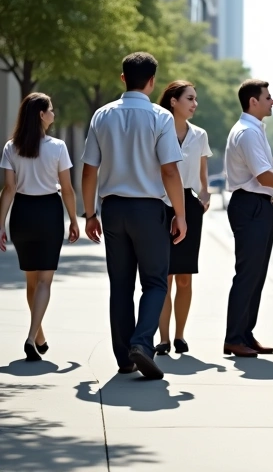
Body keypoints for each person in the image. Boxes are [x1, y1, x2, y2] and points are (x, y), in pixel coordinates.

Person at [82, 52, 187, 380]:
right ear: (153, 81)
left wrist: (89, 214)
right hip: (148, 209)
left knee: (121, 284)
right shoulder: (161, 117)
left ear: (123, 78)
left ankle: (124, 358)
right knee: (155, 282)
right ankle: (142, 342)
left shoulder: (102, 115)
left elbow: (89, 171)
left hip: (112, 209)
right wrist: (180, 214)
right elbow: (169, 171)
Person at [0, 93, 80, 362]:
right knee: (45, 281)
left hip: (22, 214)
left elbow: (9, 189)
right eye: (51, 111)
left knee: (32, 282)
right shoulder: (58, 147)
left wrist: (0, 225)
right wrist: (73, 219)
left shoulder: (11, 147)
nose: (54, 115)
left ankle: (39, 337)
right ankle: (31, 337)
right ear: (41, 115)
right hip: (48, 213)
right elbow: (67, 189)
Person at [223, 79, 273, 358]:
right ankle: (234, 337)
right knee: (248, 274)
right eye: (268, 97)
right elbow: (265, 176)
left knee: (256, 274)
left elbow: (271, 165)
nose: (272, 101)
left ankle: (244, 333)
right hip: (251, 206)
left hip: (257, 205)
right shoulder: (248, 133)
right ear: (253, 101)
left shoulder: (253, 130)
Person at [155, 81, 212, 356]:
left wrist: (205, 194)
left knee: (185, 278)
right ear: (173, 101)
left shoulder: (199, 134)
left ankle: (180, 335)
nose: (194, 103)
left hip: (189, 206)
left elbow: (203, 170)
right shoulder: (157, 129)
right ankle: (163, 339)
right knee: (163, 277)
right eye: (189, 98)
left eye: (195, 99)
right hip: (160, 205)